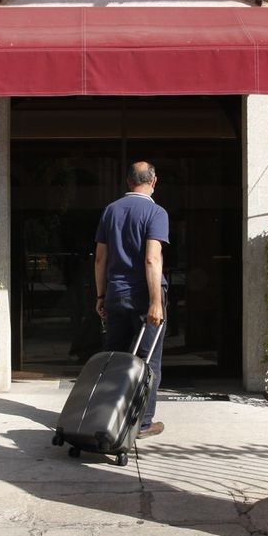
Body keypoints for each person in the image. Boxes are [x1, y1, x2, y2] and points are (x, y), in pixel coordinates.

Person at [94, 161, 168, 439]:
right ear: (154, 181)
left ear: (128, 182)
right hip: (143, 295)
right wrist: (156, 301)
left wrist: (101, 294)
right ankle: (143, 422)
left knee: (114, 359)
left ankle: (107, 416)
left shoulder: (110, 211)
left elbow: (101, 258)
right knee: (148, 361)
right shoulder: (156, 212)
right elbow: (151, 258)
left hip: (115, 293)